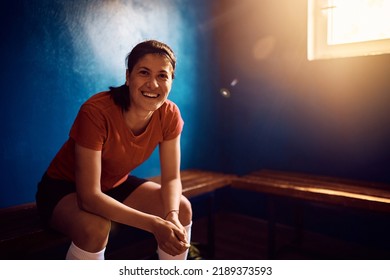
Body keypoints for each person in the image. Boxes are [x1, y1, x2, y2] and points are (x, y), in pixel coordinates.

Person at [36, 40, 192, 260]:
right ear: (128, 77)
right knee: (96, 228)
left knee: (182, 207)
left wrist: (172, 216)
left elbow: (171, 178)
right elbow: (89, 198)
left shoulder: (169, 113)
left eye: (162, 76)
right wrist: (154, 224)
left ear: (171, 81)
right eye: (144, 73)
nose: (153, 84)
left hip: (113, 183)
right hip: (64, 189)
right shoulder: (96, 112)